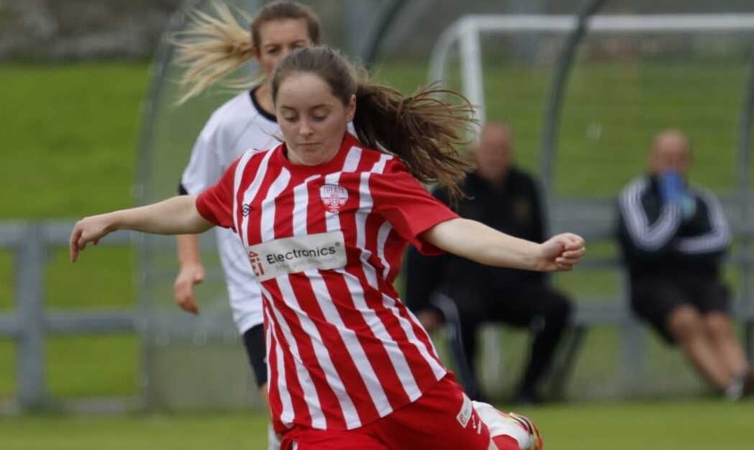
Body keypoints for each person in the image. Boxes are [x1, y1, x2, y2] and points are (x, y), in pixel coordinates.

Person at [71, 46, 584, 449]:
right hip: (312, 404)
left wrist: (533, 253)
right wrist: (115, 219)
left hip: (399, 379)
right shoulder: (250, 175)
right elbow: (194, 209)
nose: (304, 130)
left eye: (319, 114)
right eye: (289, 115)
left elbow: (450, 229)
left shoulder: (374, 175)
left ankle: (503, 433)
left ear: (349, 108)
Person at [171, 3, 320, 444]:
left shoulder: (343, 119)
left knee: (330, 411)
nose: (287, 57)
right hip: (260, 297)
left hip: (329, 290)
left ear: (318, 48)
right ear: (257, 57)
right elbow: (190, 195)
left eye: (298, 46)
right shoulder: (229, 125)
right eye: (274, 49)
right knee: (286, 411)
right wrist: (188, 264)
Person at [404, 123, 573, 405]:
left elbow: (537, 240)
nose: (496, 156)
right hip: (464, 286)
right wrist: (420, 306)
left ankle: (528, 391)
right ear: (475, 151)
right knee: (461, 310)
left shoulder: (525, 188)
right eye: (490, 149)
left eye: (502, 150)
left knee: (557, 307)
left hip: (513, 285)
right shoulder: (451, 190)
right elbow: (421, 249)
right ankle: (472, 394)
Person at [616, 129, 754, 400]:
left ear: (688, 162)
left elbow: (720, 242)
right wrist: (673, 210)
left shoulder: (701, 197)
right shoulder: (635, 195)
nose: (672, 164)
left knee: (717, 322)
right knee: (686, 320)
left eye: (679, 158)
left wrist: (673, 250)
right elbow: (645, 246)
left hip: (699, 279)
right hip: (652, 282)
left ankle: (746, 379)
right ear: (652, 159)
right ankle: (731, 387)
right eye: (666, 157)